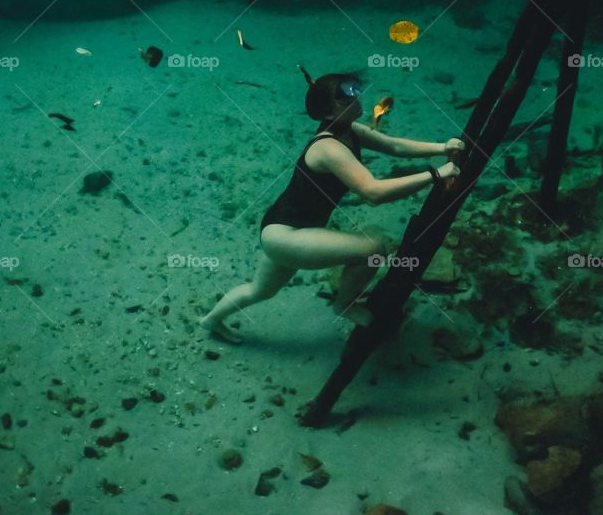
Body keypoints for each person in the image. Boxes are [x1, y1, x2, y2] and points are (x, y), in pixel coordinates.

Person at [199, 69, 464, 343]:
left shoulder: (349, 131)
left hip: (281, 232)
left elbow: (395, 146)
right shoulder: (328, 148)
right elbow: (373, 193)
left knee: (258, 291)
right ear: (331, 107)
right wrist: (435, 175)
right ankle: (344, 305)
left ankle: (211, 320)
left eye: (356, 89)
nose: (358, 97)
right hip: (286, 236)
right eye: (348, 94)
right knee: (373, 251)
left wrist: (442, 147)